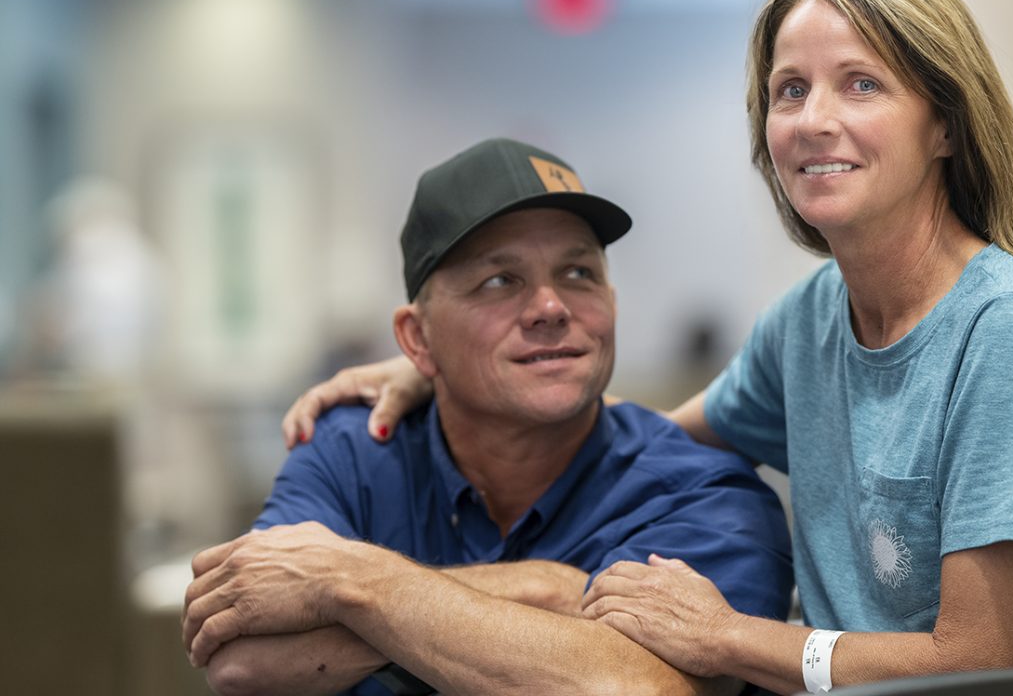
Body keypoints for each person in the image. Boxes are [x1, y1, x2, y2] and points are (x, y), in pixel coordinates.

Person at [279, 0, 1013, 692]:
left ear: (945, 124)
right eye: (790, 89)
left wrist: (729, 637)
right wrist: (446, 377)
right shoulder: (812, 319)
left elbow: (975, 662)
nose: (815, 119)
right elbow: (637, 429)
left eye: (861, 83)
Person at [181, 138, 793, 696]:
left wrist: (354, 582)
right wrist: (546, 589)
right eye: (500, 280)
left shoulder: (706, 494)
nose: (550, 307)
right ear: (417, 340)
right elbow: (242, 662)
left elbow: (639, 689)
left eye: (579, 273)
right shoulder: (351, 451)